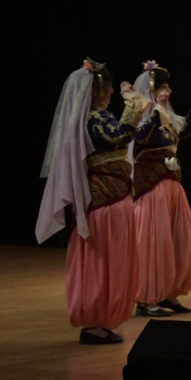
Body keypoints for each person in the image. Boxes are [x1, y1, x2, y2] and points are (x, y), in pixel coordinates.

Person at [37, 59, 150, 344]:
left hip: (114, 201)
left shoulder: (95, 119)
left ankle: (102, 319)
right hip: (104, 204)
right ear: (99, 90)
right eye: (108, 88)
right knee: (104, 261)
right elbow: (118, 135)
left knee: (112, 261)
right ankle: (94, 321)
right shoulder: (93, 120)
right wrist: (132, 105)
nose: (111, 92)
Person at [130, 60, 191, 317]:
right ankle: (146, 297)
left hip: (171, 187)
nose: (166, 91)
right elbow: (138, 141)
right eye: (161, 88)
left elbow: (185, 128)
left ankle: (169, 293)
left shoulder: (166, 116)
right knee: (154, 243)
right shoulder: (141, 120)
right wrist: (156, 111)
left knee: (177, 242)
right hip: (151, 188)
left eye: (168, 87)